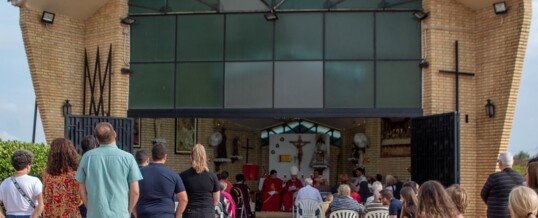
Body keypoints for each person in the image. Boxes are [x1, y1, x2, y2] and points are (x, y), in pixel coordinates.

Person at [76, 122, 143, 218]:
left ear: (97, 140)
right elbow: (135, 191)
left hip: (95, 213)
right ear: (115, 134)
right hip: (120, 213)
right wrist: (129, 210)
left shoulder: (87, 157)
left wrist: (89, 207)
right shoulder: (128, 158)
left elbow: (81, 188)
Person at [136, 143, 188, 218]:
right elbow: (184, 199)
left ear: (151, 156)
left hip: (144, 214)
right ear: (165, 156)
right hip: (166, 215)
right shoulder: (173, 175)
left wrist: (135, 212)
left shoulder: (140, 173)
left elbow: (132, 193)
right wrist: (177, 215)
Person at [42, 138, 81, 218]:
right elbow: (79, 199)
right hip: (70, 214)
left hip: (50, 214)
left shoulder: (46, 174)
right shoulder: (74, 174)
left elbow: (45, 197)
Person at [0, 149, 44, 218]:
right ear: (28, 166)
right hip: (30, 214)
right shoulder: (35, 181)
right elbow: (41, 204)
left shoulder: (5, 183)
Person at [180, 144, 220, 218]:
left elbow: (182, 198)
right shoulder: (213, 176)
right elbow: (216, 200)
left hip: (190, 212)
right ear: (205, 157)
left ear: (191, 157)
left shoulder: (184, 176)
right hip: (207, 213)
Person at [481, 152, 524, 218]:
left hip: (495, 214)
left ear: (500, 163)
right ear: (512, 162)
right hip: (514, 214)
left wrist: (493, 203)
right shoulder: (520, 177)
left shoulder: (494, 177)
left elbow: (483, 193)